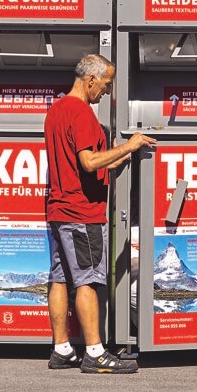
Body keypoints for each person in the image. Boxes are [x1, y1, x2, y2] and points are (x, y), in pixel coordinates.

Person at [45, 54, 156, 374]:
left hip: (59, 209)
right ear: (90, 79)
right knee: (88, 280)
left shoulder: (56, 109)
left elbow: (76, 160)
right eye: (106, 84)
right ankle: (95, 353)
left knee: (59, 278)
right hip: (82, 213)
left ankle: (62, 349)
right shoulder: (81, 112)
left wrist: (115, 159)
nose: (107, 90)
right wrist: (130, 146)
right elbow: (89, 162)